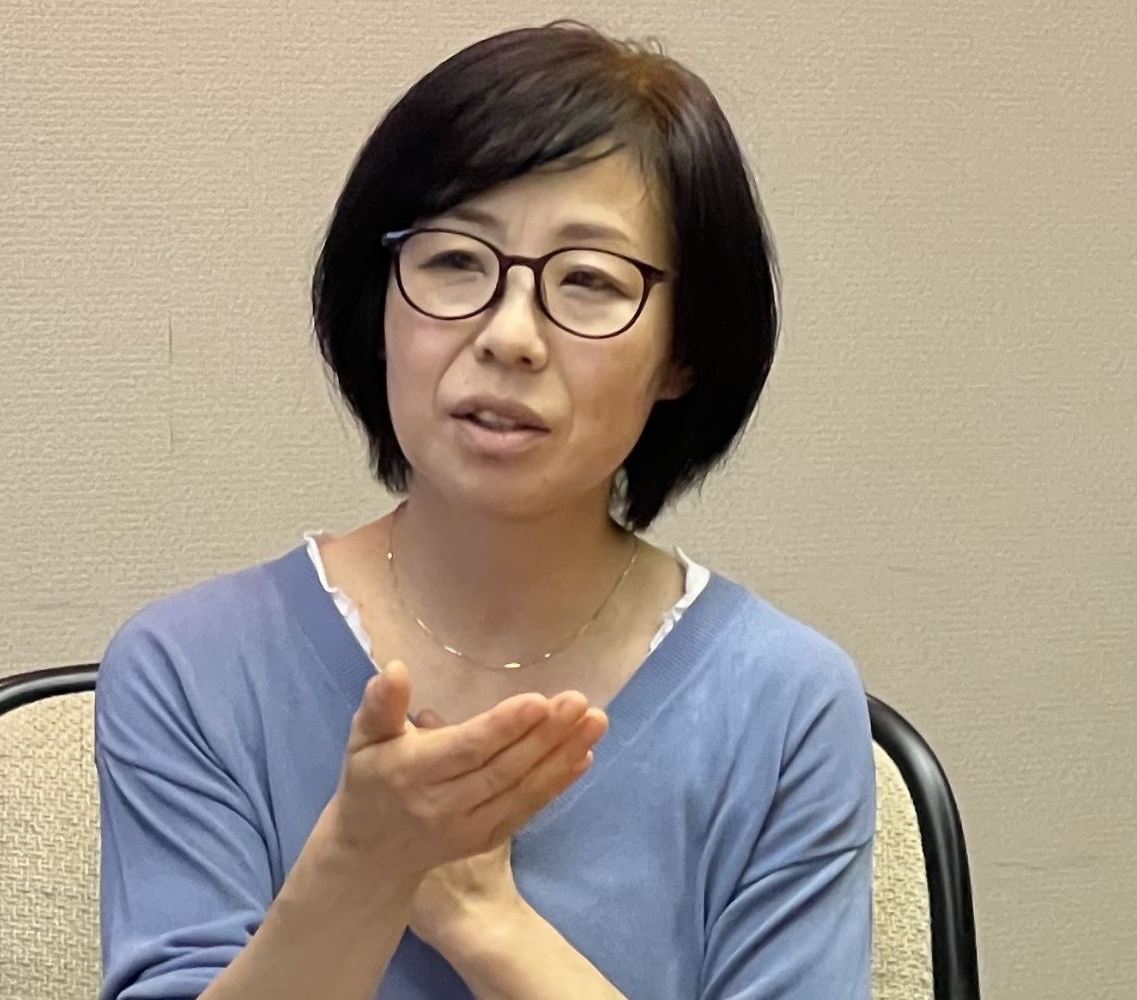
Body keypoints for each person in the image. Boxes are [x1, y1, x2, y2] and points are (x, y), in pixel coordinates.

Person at [95, 20, 875, 1000]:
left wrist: (488, 925)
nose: (510, 335)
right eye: (456, 262)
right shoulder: (192, 667)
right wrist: (361, 865)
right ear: (379, 300)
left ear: (684, 351)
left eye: (588, 281)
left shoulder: (784, 703)